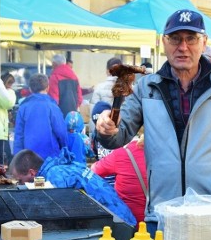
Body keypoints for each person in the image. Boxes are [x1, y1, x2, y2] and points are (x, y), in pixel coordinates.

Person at [95, 9, 211, 234]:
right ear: (164, 43)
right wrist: (106, 129)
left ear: (204, 43)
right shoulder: (147, 88)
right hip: (162, 214)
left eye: (191, 39)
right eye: (175, 39)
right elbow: (119, 136)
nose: (182, 47)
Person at [8, 149, 136, 226]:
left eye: (20, 180)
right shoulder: (57, 167)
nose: (20, 184)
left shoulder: (55, 175)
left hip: (120, 223)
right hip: (124, 215)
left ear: (31, 172)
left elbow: (59, 213)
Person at [90, 135, 148, 223]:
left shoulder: (121, 154)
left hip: (130, 220)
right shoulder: (161, 154)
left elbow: (94, 171)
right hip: (157, 220)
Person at [12, 72, 67, 161]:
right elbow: (61, 132)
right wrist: (65, 148)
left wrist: (17, 159)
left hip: (29, 159)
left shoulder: (23, 107)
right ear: (48, 88)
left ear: (30, 89)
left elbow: (19, 136)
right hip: (51, 158)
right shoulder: (52, 106)